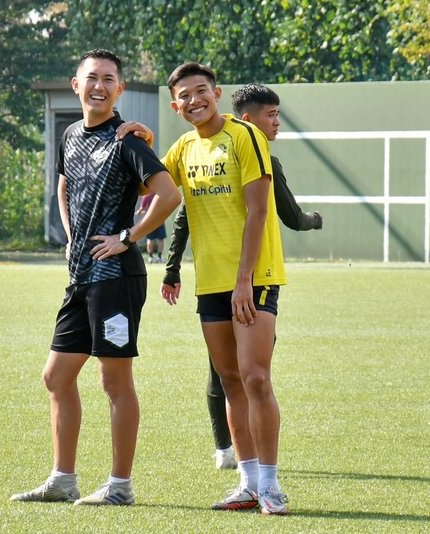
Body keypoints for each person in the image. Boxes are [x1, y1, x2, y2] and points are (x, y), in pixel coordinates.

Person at [9, 49, 179, 507]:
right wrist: (70, 236)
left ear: (119, 89)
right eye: (91, 78)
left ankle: (120, 487)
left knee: (114, 382)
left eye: (108, 79)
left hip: (116, 278)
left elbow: (168, 195)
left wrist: (128, 236)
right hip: (81, 276)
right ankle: (63, 480)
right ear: (76, 84)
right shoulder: (70, 135)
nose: (99, 86)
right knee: (56, 377)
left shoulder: (128, 140)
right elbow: (64, 183)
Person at [163, 84, 322, 471]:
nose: (277, 123)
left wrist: (174, 266)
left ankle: (248, 466)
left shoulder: (248, 150)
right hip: (220, 280)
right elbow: (289, 216)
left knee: (246, 375)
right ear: (248, 119)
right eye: (272, 115)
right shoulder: (197, 148)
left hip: (249, 280)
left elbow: (190, 218)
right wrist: (313, 221)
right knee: (234, 375)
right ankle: (237, 458)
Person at [162, 62, 289, 515]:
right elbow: (149, 187)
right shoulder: (182, 148)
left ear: (216, 94)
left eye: (202, 91)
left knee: (255, 377)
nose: (194, 100)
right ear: (176, 107)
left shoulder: (245, 136)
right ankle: (248, 484)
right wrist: (136, 138)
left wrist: (243, 282)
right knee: (230, 380)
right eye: (185, 96)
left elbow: (259, 212)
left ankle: (271, 486)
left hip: (254, 279)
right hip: (210, 283)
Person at [135, 193, 167, 263]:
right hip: (160, 220)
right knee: (161, 239)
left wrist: (139, 212)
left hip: (150, 221)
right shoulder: (159, 194)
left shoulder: (146, 196)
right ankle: (160, 257)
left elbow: (142, 208)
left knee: (150, 239)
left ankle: (150, 257)